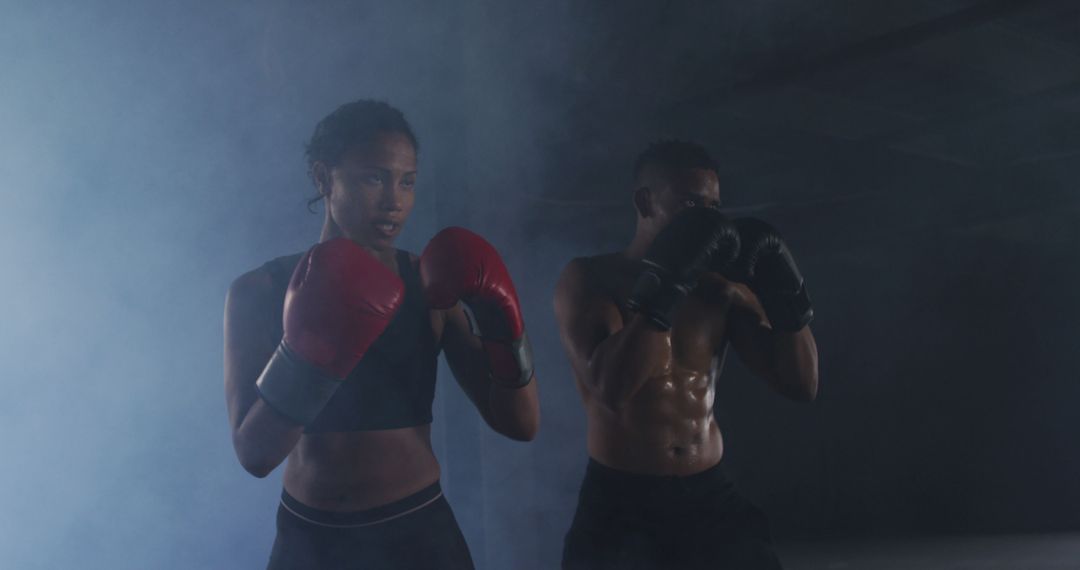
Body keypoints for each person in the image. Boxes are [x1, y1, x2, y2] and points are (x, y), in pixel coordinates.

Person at [223, 100, 539, 569]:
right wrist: (310, 351)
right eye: (373, 178)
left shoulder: (431, 287)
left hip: (417, 533)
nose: (394, 201)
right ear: (322, 177)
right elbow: (254, 455)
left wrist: (504, 327)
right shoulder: (260, 291)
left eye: (407, 181)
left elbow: (520, 424)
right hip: (312, 540)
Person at [554, 140, 818, 569]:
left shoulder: (720, 289)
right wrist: (669, 287)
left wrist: (790, 304)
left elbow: (801, 384)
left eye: (713, 207)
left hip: (708, 496)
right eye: (691, 204)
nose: (707, 220)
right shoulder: (590, 278)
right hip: (622, 500)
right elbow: (612, 389)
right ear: (645, 201)